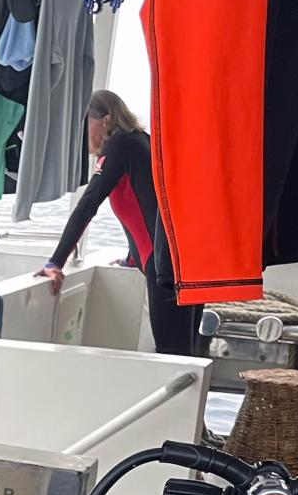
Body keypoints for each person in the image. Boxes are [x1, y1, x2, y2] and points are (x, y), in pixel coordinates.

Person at [36, 89, 200, 356]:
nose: (80, 132)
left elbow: (88, 205)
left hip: (166, 269)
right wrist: (131, 258)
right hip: (183, 262)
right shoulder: (141, 141)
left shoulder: (119, 145)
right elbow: (146, 202)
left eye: (84, 122)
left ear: (106, 120)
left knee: (175, 357)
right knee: (186, 353)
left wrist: (55, 262)